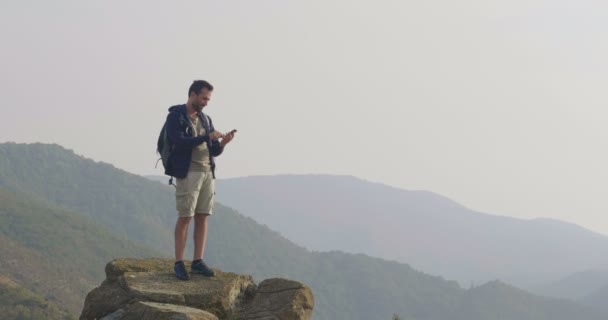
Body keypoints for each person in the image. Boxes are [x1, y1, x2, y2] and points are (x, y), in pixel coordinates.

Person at [163, 80, 235, 280]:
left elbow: (213, 150)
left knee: (202, 216)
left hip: (207, 172)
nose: (206, 102)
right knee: (185, 216)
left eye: (208, 99)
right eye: (203, 98)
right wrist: (206, 137)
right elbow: (179, 141)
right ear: (192, 94)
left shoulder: (205, 119)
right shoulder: (175, 116)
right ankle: (178, 262)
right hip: (188, 172)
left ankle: (197, 261)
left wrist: (222, 144)